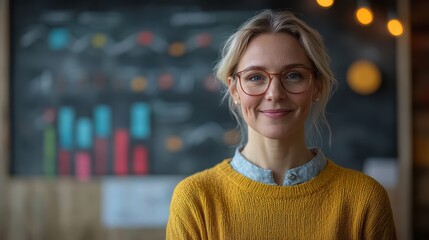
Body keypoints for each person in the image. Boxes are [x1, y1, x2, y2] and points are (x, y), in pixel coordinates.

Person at [166, 9, 397, 239]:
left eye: (293, 75)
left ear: (316, 86)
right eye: (255, 77)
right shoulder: (196, 200)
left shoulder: (364, 199)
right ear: (234, 89)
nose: (274, 94)